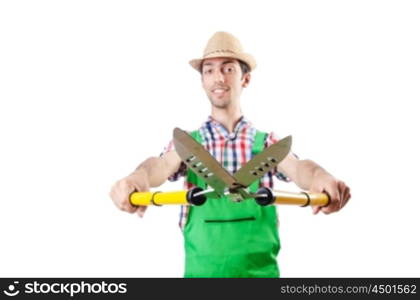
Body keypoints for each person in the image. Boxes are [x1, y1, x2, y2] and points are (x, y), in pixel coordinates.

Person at [109, 31, 351, 278]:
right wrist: (137, 178)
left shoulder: (267, 145)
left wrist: (321, 177)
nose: (218, 78)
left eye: (228, 69)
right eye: (209, 70)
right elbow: (158, 166)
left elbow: (300, 168)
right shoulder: (188, 145)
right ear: (202, 81)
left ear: (245, 79)